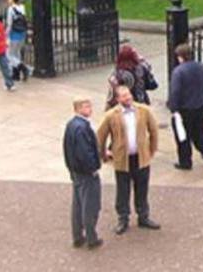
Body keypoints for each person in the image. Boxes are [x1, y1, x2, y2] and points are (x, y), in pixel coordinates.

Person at [96, 85, 161, 234]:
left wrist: (151, 151)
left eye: (129, 94)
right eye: (124, 96)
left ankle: (143, 216)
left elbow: (154, 131)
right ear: (118, 99)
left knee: (142, 189)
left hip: (141, 158)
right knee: (123, 190)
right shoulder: (111, 115)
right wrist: (104, 155)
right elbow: (100, 137)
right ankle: (123, 218)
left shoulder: (144, 110)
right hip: (122, 159)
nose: (128, 98)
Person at [62, 97, 102, 249]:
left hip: (76, 172)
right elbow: (85, 153)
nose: (90, 109)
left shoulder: (71, 125)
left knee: (78, 205)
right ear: (78, 109)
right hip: (86, 173)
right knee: (90, 205)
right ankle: (92, 238)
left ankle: (77, 236)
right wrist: (93, 168)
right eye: (86, 107)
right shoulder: (82, 128)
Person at [167, 44, 203, 171]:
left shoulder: (178, 72)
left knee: (183, 135)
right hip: (201, 105)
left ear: (180, 57)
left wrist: (173, 108)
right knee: (200, 130)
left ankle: (185, 161)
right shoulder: (202, 67)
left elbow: (175, 91)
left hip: (185, 109)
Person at [5, 0, 30, 81]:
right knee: (17, 53)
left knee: (10, 55)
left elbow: (9, 24)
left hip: (14, 34)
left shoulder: (11, 9)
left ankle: (23, 67)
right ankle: (16, 74)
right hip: (22, 33)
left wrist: (6, 35)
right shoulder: (22, 8)